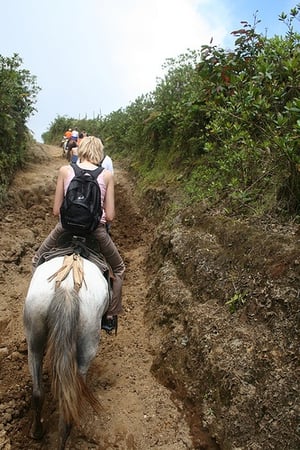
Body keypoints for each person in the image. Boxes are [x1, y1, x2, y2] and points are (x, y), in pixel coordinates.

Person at [32, 136, 125, 334]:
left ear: (80, 149)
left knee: (36, 259)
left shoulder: (65, 170)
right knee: (118, 268)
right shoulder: (107, 175)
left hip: (64, 229)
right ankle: (110, 316)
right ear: (99, 152)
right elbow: (111, 216)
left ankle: (33, 307)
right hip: (95, 231)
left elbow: (56, 211)